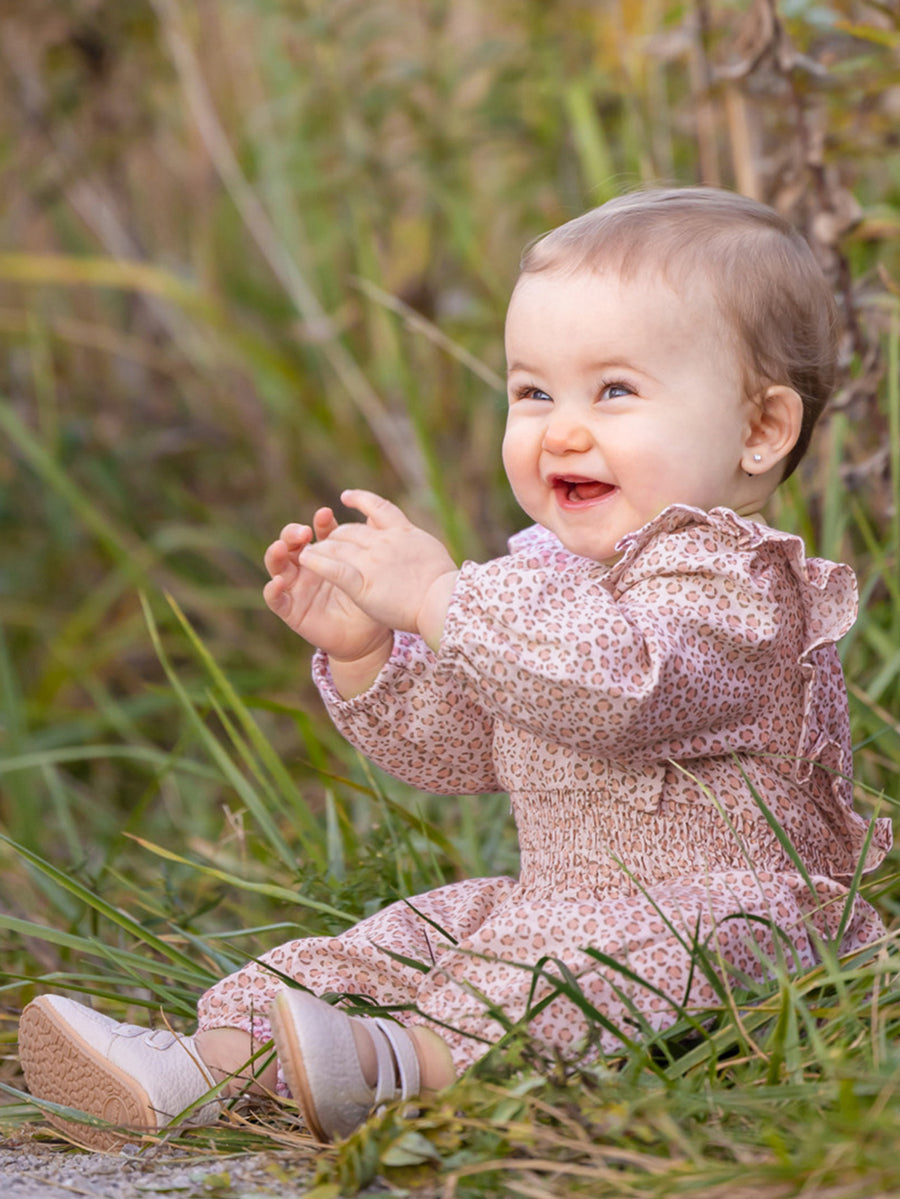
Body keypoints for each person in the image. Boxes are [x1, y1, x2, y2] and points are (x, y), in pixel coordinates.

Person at [18, 186, 891, 1149]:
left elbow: (619, 691)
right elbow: (467, 751)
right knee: (411, 937)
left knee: (594, 972)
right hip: (553, 898)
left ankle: (404, 1072)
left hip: (732, 912)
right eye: (532, 392)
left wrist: (441, 599)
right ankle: (207, 1065)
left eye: (614, 390)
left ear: (761, 428)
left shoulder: (736, 587)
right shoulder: (548, 578)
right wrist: (369, 653)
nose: (561, 428)